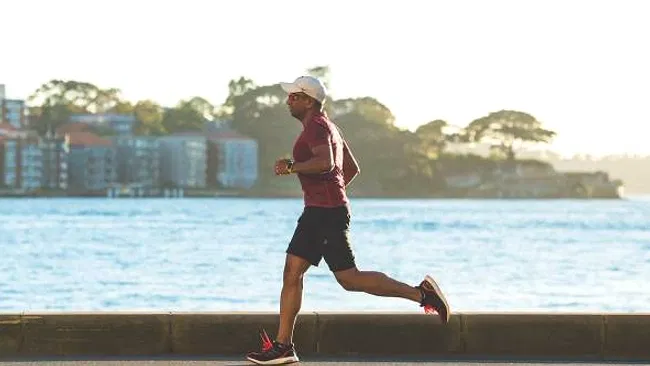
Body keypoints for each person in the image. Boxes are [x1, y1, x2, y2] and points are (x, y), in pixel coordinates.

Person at [246, 76, 450, 365]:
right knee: (294, 272)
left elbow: (327, 163)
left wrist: (293, 167)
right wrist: (331, 193)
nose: (288, 100)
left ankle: (422, 294)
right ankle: (284, 346)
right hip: (322, 211)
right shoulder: (329, 126)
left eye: (294, 96)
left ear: (309, 100)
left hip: (324, 213)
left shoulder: (316, 127)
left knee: (348, 278)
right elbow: (350, 168)